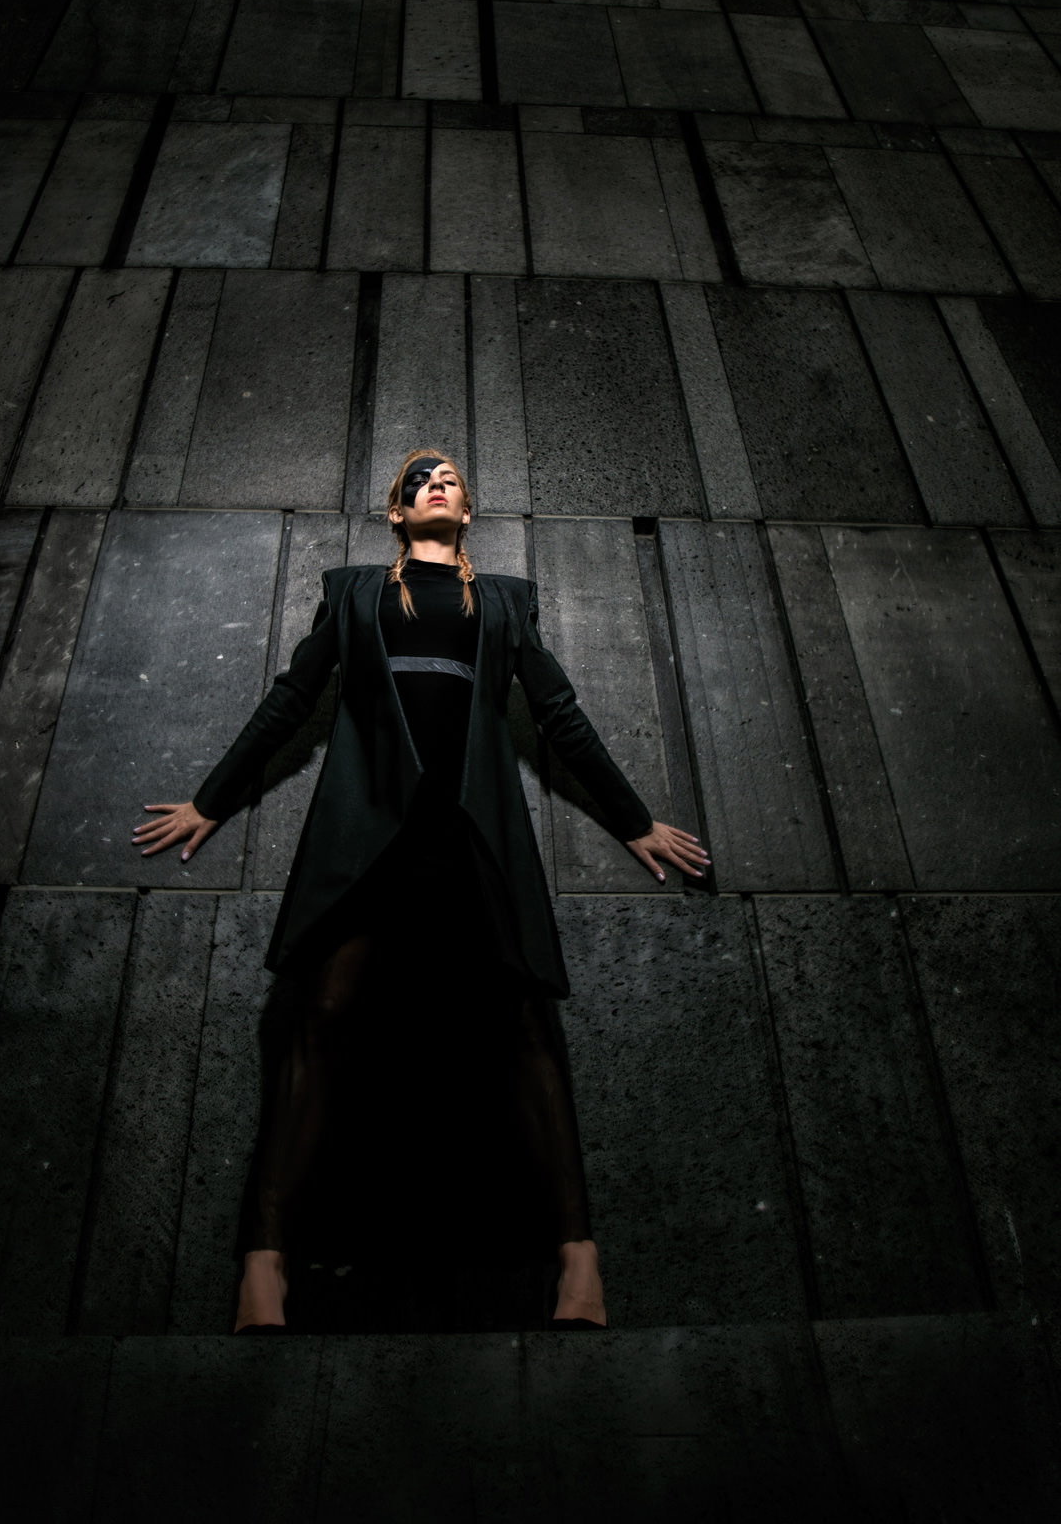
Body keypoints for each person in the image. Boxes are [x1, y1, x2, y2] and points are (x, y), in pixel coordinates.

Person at [134, 451, 709, 1332]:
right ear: (396, 516)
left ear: (467, 512)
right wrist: (210, 802)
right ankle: (264, 1264)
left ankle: (579, 1262)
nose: (435, 484)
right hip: (369, 833)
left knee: (524, 1026)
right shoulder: (354, 592)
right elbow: (292, 698)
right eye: (417, 483)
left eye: (449, 481)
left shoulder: (505, 602)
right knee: (321, 1014)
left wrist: (633, 821)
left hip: (470, 832)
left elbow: (558, 713)